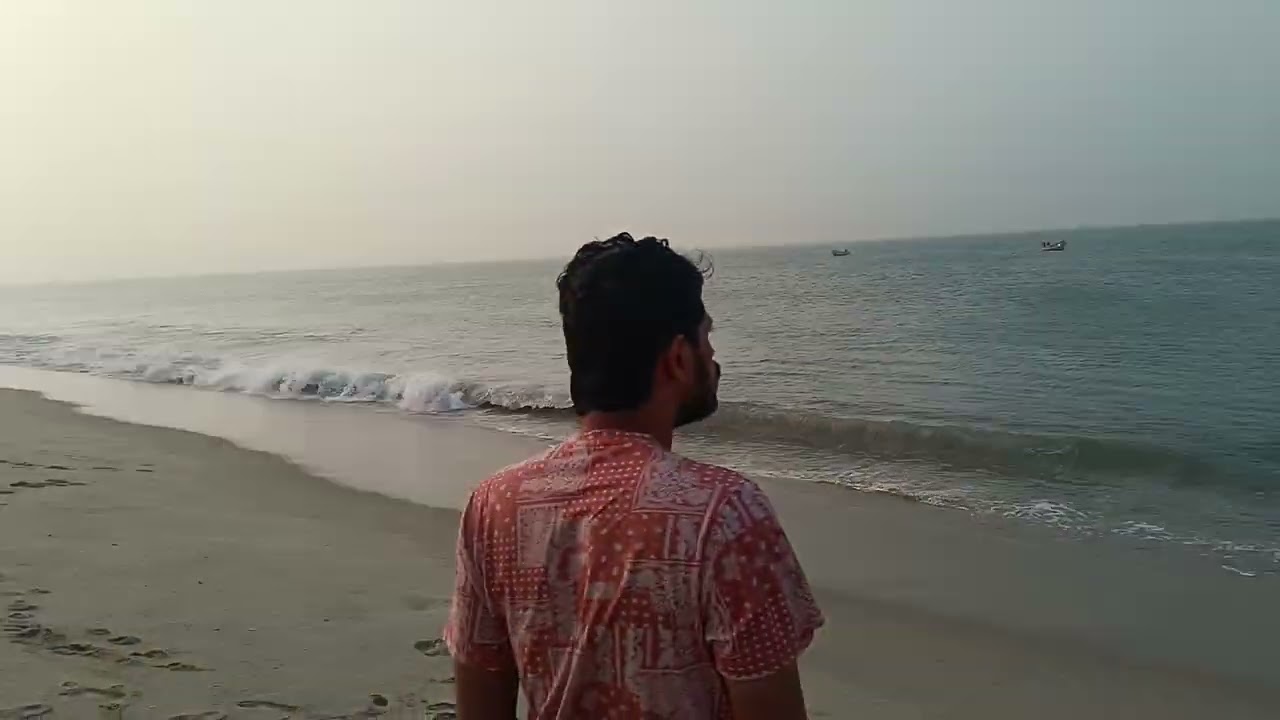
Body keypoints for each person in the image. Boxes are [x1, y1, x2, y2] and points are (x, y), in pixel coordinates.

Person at [444, 233, 823, 719]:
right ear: (678, 358)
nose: (713, 358)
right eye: (706, 338)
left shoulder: (495, 503)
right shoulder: (725, 514)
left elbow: (479, 699)